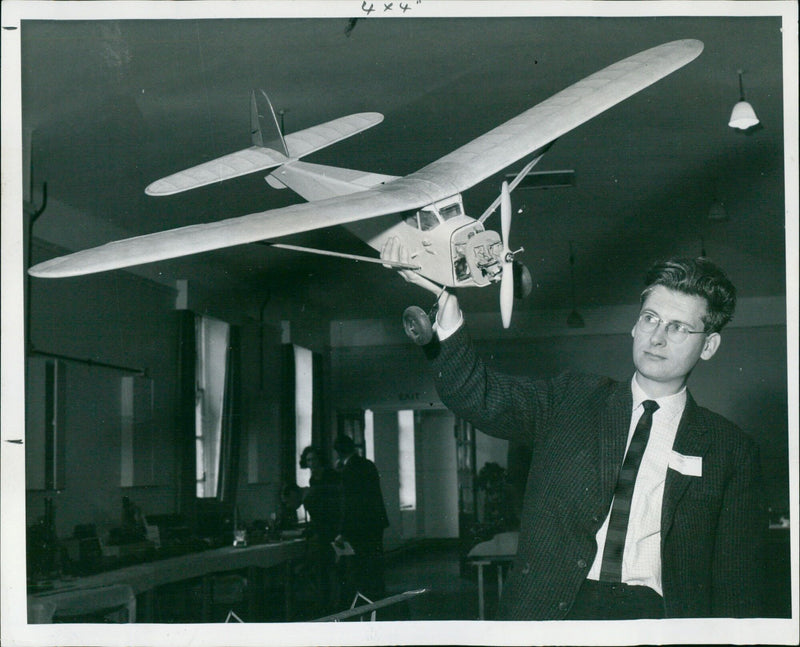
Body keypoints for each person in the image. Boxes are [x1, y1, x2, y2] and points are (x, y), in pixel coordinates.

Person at [383, 236, 765, 620]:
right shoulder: (571, 399)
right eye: (650, 318)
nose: (658, 336)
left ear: (710, 346)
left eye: (679, 327)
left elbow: (737, 581)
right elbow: (478, 396)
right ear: (635, 327)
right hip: (554, 610)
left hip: (656, 618)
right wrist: (447, 318)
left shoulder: (728, 449)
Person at [333, 433, 390, 605]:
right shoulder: (367, 464)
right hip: (375, 523)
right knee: (374, 565)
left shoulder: (348, 470)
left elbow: (349, 504)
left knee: (359, 568)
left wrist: (342, 531)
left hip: (358, 527)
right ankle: (378, 599)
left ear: (339, 453)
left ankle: (363, 603)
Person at [299, 445, 342, 613]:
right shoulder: (312, 481)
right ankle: (325, 602)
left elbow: (336, 502)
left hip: (333, 525)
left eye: (314, 459)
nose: (312, 463)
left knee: (334, 568)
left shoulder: (330, 476)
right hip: (321, 528)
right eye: (309, 460)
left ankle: (336, 602)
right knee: (322, 567)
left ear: (320, 460)